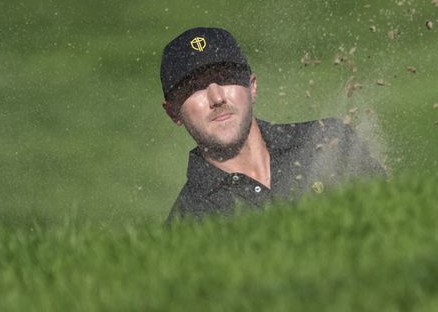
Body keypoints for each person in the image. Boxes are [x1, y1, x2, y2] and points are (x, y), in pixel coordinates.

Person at [160, 27, 385, 222]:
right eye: (194, 87)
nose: (217, 98)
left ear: (252, 87)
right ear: (173, 113)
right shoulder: (189, 220)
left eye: (226, 77)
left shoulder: (328, 141)